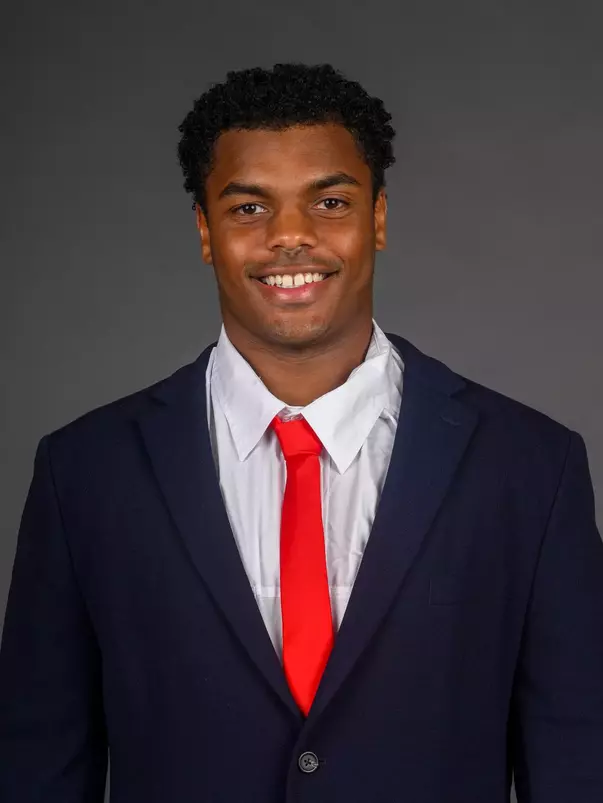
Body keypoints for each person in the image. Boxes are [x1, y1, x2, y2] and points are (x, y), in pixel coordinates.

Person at [0, 61, 602, 803]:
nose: (290, 236)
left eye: (329, 201)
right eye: (249, 208)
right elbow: (38, 767)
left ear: (377, 216)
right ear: (204, 232)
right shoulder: (84, 473)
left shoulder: (531, 468)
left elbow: (577, 763)